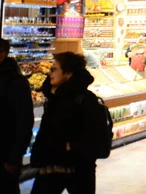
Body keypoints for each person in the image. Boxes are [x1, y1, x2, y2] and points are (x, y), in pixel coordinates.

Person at [30, 52, 100, 193]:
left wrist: (72, 146)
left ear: (68, 73)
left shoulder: (86, 100)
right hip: (50, 166)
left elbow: (95, 135)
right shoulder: (53, 97)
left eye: (54, 69)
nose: (49, 73)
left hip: (78, 168)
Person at [0, 38, 33, 194]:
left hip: (5, 157)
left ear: (2, 54)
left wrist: (13, 159)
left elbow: (24, 122)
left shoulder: (16, 82)